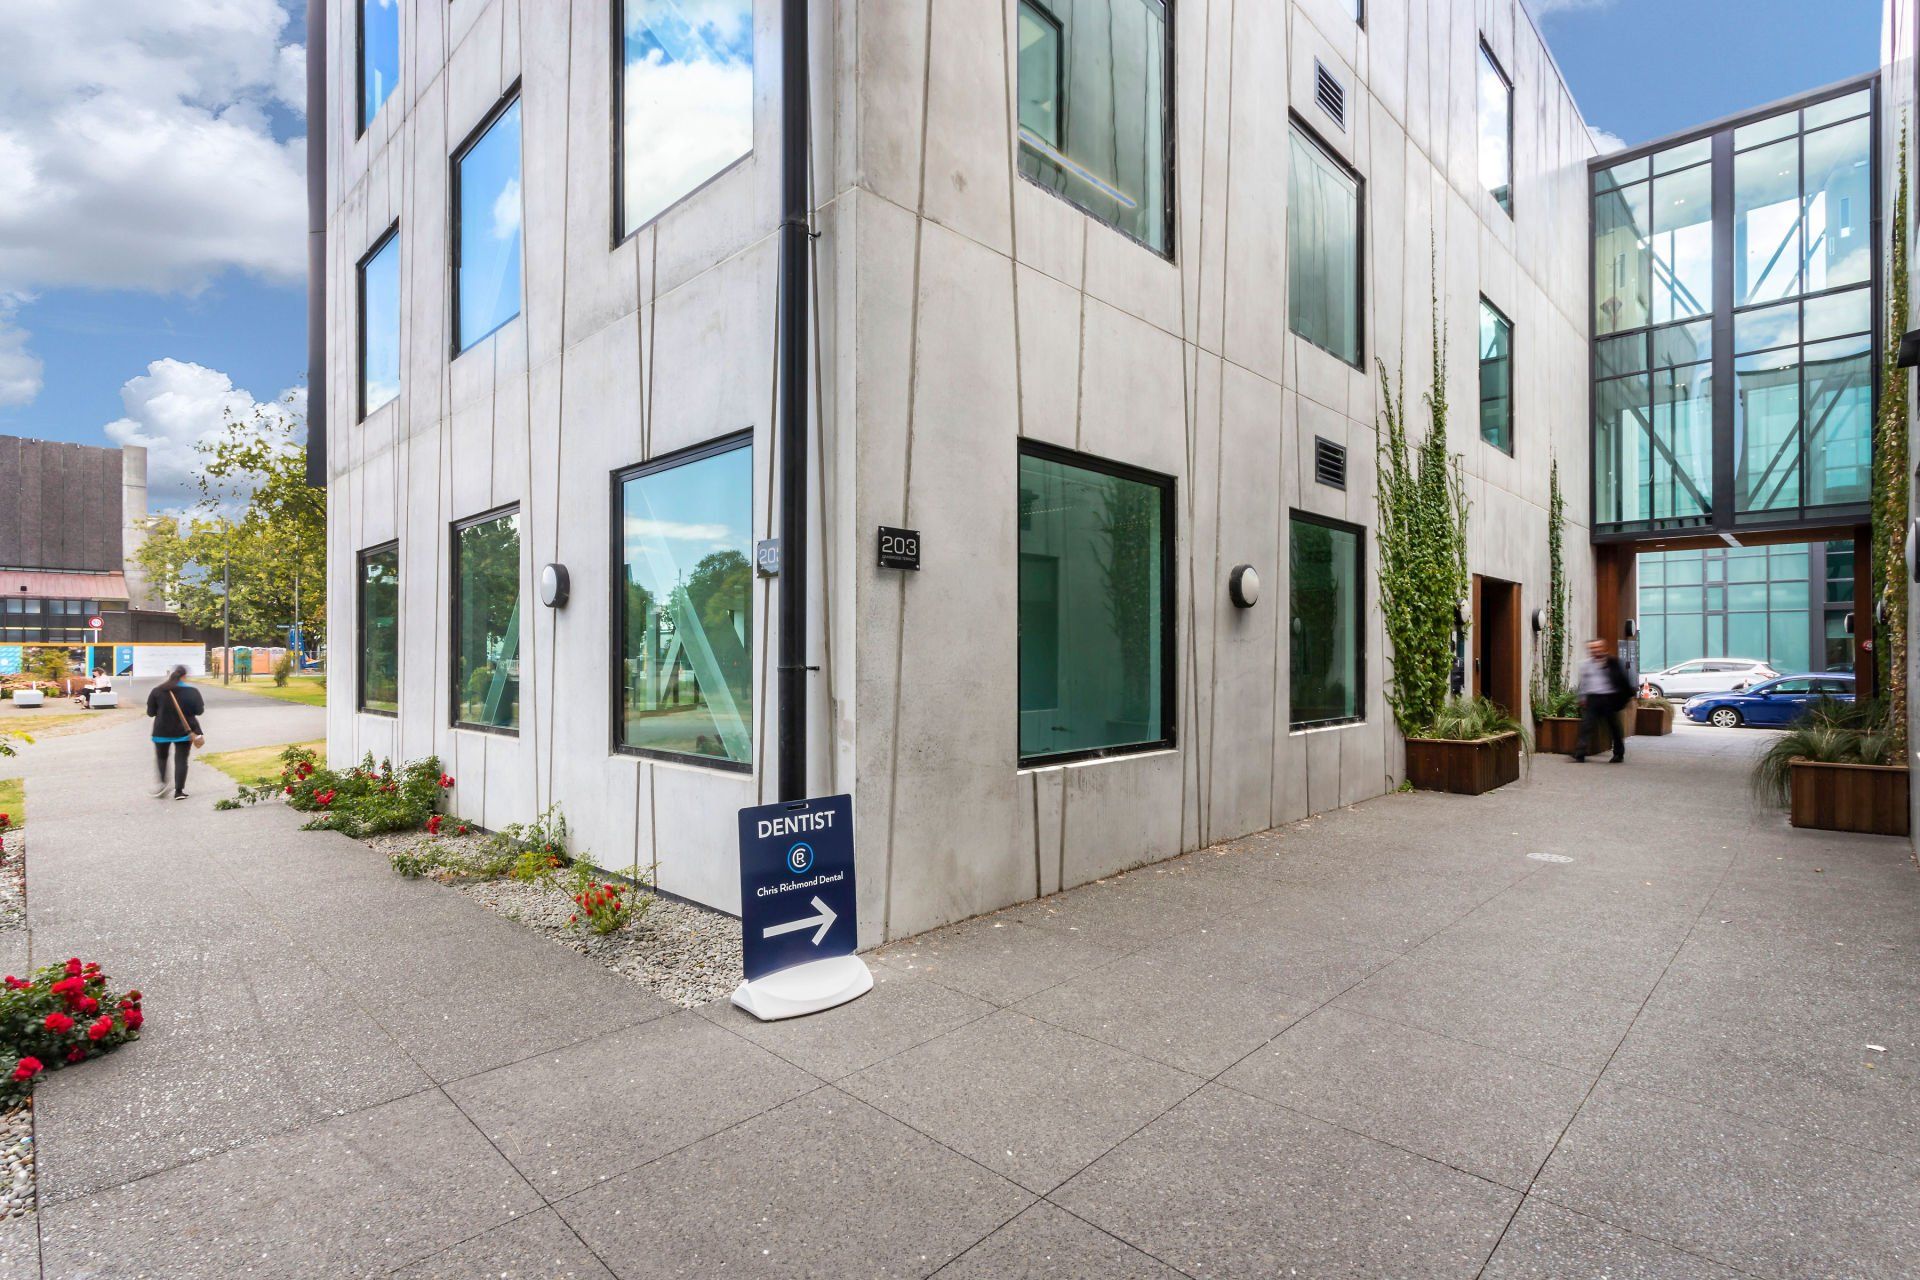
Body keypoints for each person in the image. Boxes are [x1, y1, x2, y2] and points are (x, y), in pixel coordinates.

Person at [145, 664, 205, 799]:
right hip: (184, 731)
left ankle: (162, 783)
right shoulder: (192, 691)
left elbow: (150, 713)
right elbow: (199, 711)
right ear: (184, 676)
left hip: (161, 731)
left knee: (161, 758)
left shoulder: (157, 691)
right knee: (181, 760)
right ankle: (179, 791)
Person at [1574, 638, 1634, 763]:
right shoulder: (1586, 664)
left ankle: (1618, 754)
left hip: (1609, 698)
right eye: (1593, 648)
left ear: (1603, 648)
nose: (1595, 650)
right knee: (1586, 725)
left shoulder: (1613, 662)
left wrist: (1624, 698)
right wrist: (1582, 698)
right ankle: (1580, 753)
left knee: (1614, 727)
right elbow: (1584, 683)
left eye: (1598, 648)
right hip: (1593, 698)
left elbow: (1622, 680)